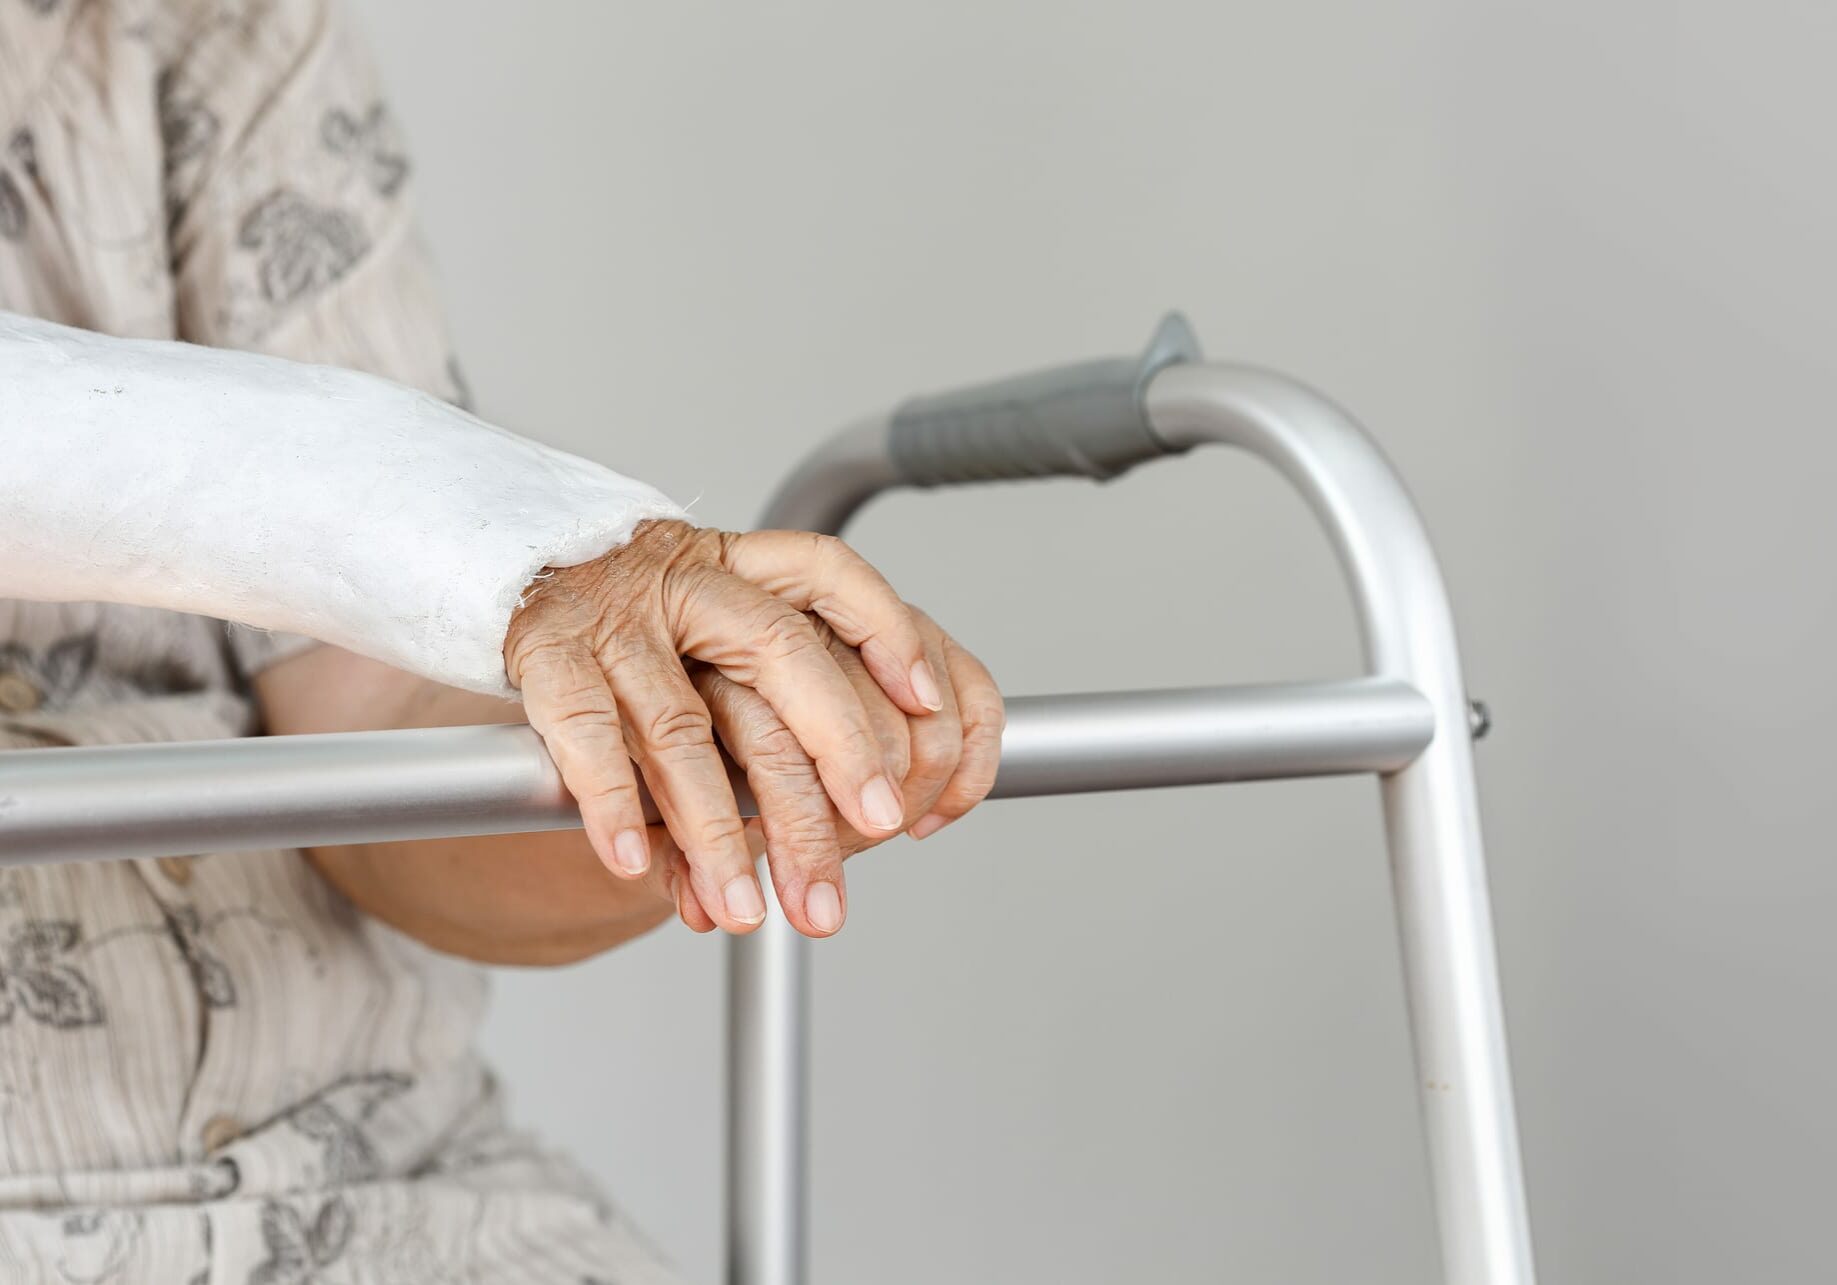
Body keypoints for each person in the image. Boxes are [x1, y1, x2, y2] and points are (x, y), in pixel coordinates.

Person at [0, 1, 1002, 1279]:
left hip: (399, 1187)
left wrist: (679, 744)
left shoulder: (221, 27)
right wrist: (532, 549)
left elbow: (364, 724)